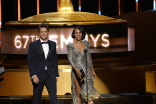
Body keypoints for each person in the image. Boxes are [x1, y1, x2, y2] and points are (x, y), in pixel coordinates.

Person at [67, 26, 100, 104]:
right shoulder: (70, 46)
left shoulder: (86, 43)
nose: (78, 34)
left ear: (82, 34)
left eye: (80, 32)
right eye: (76, 33)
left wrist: (93, 70)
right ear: (74, 34)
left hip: (87, 70)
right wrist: (77, 70)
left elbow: (89, 57)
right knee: (78, 93)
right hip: (76, 72)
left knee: (89, 93)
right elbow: (70, 60)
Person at [27, 23, 59, 104]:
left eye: (45, 31)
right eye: (42, 32)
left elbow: (55, 60)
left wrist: (56, 74)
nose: (44, 33)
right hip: (38, 75)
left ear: (48, 32)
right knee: (36, 100)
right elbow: (30, 61)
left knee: (54, 99)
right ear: (39, 33)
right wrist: (33, 75)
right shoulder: (33, 45)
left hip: (50, 75)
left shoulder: (53, 44)